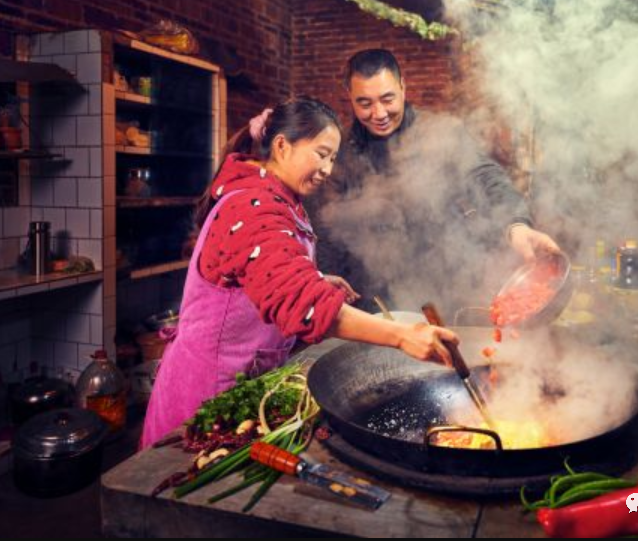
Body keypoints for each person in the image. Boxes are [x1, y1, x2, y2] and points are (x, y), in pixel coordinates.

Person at [140, 97, 458, 449]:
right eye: (321, 153)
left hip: (247, 385)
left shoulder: (277, 197)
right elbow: (301, 302)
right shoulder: (252, 203)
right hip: (207, 395)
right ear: (281, 145)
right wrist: (401, 336)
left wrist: (316, 279)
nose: (327, 168)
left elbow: (259, 272)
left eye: (333, 158)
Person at [250, 50, 561, 316]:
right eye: (365, 103)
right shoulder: (339, 153)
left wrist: (516, 225)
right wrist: (326, 287)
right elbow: (325, 228)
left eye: (387, 99)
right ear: (350, 98)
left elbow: (485, 176)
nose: (379, 113)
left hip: (446, 290)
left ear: (402, 86)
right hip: (374, 303)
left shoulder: (442, 133)